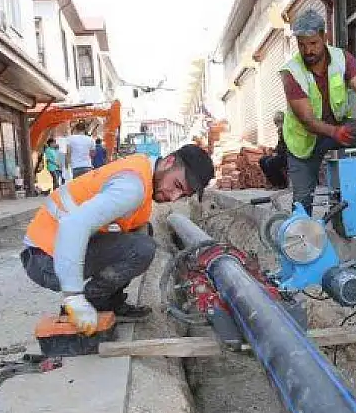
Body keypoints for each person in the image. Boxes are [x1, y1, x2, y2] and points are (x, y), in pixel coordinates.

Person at [21, 144, 215, 335]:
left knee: (142, 232)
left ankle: (108, 301)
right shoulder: (133, 187)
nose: (174, 197)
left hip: (47, 249)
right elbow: (73, 225)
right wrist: (74, 297)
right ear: (169, 162)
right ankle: (92, 302)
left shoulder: (142, 170)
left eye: (183, 195)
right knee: (142, 248)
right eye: (177, 185)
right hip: (45, 259)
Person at [279, 8, 356, 216]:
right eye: (302, 45)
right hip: (304, 139)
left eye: (313, 43)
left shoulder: (342, 58)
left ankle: (349, 218)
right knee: (303, 200)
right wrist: (335, 132)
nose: (308, 51)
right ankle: (302, 237)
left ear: (324, 37)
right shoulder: (291, 72)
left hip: (337, 127)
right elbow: (308, 120)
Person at [259, 111, 289, 189]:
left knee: (271, 162)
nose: (276, 125)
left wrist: (277, 152)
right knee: (262, 160)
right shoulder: (280, 131)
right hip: (280, 153)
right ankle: (274, 183)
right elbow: (280, 144)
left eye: (277, 122)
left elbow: (286, 145)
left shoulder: (287, 130)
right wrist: (274, 150)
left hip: (287, 155)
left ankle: (282, 183)